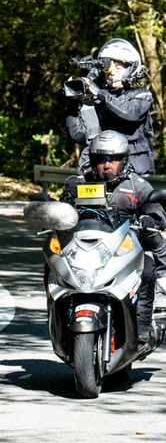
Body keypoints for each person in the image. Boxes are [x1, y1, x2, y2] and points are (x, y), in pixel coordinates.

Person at [60, 130, 166, 346]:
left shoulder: (138, 185)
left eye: (113, 160)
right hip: (84, 248)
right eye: (100, 160)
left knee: (147, 268)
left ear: (124, 160)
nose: (106, 166)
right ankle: (58, 318)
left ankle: (142, 325)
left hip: (124, 250)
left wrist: (151, 219)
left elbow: (156, 209)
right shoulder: (77, 184)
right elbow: (62, 209)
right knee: (52, 262)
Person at [66, 38, 155, 175]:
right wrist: (73, 103)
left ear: (131, 70)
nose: (112, 73)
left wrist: (99, 93)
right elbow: (78, 136)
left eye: (118, 68)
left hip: (134, 172)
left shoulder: (142, 95)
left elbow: (129, 113)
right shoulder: (96, 100)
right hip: (99, 171)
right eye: (108, 69)